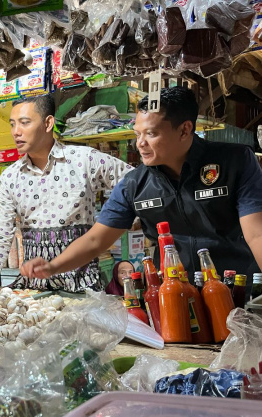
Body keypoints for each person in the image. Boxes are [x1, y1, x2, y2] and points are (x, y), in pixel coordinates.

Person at [21, 86, 262, 286]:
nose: (140, 144)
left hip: (236, 290)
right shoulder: (135, 183)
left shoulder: (235, 161)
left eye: (151, 134)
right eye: (137, 134)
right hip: (173, 295)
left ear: (185, 129)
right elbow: (96, 240)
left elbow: (256, 233)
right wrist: (53, 266)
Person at [0, 94, 133, 303]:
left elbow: (136, 184)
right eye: (13, 124)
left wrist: (121, 221)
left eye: (25, 123)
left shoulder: (84, 159)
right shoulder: (10, 178)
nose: (16, 131)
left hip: (82, 287)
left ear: (48, 123)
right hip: (33, 291)